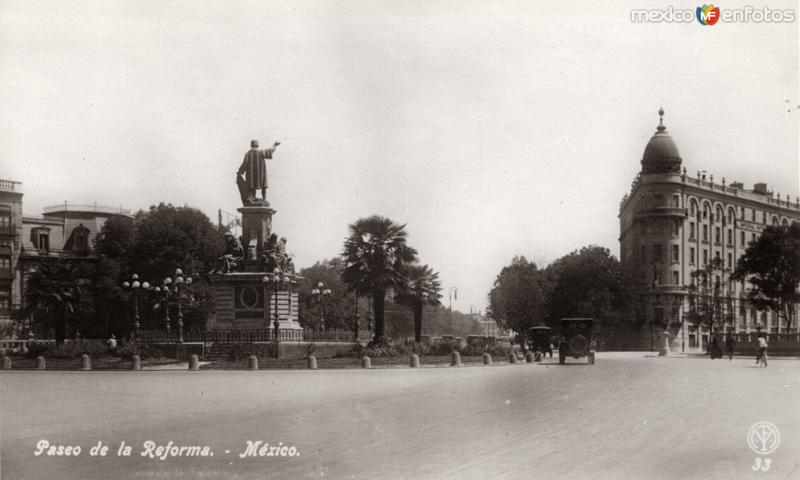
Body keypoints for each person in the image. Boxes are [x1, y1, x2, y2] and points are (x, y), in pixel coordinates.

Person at [237, 139, 280, 206]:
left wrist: (240, 171)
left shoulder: (248, 153)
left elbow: (244, 163)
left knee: (252, 186)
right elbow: (270, 150)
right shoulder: (261, 152)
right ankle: (264, 198)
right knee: (263, 186)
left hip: (251, 176)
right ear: (258, 145)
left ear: (251, 145)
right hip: (261, 175)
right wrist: (274, 145)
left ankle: (252, 199)